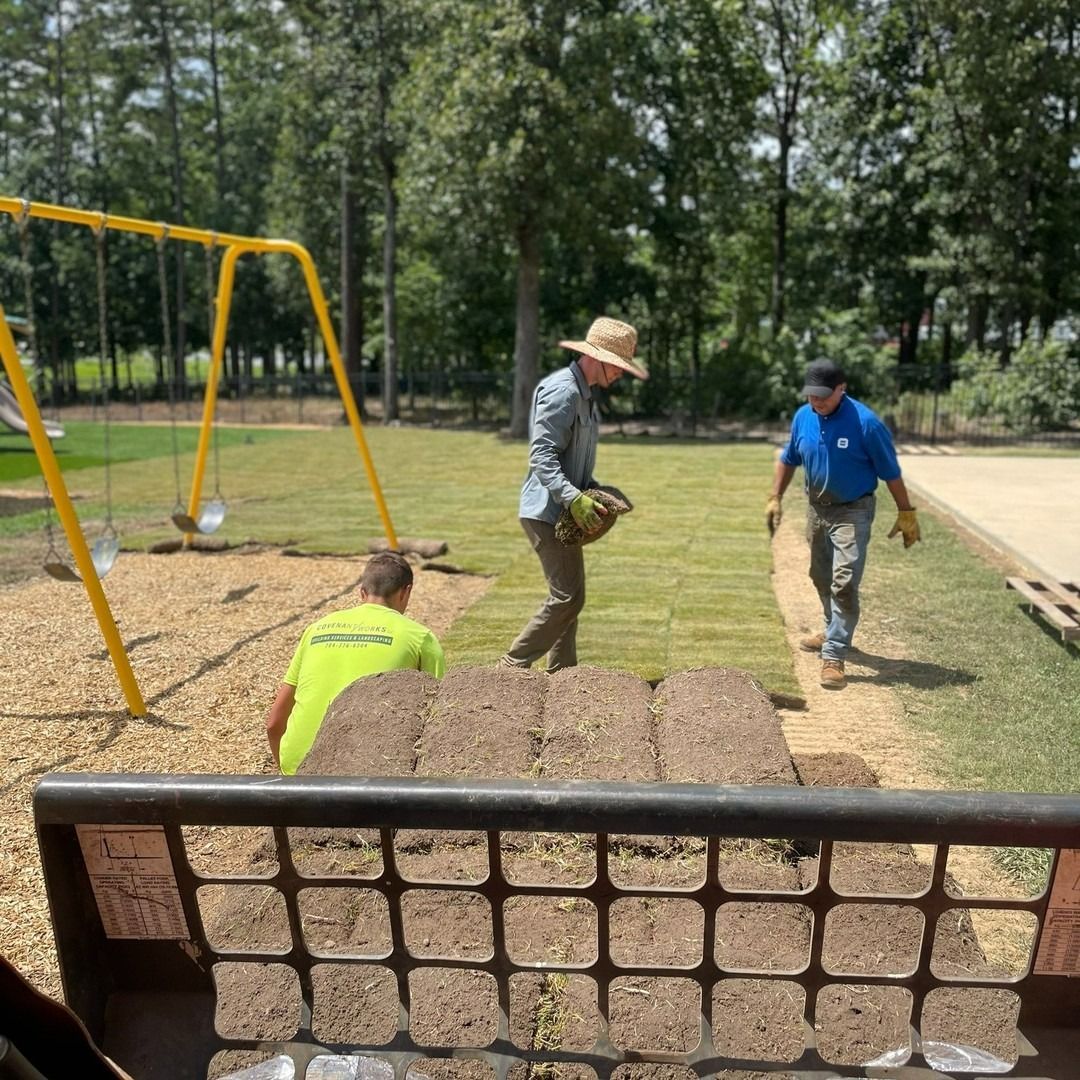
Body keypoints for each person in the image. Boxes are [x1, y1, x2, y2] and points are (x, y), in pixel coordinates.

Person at [500, 316, 648, 673]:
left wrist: (592, 489)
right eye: (618, 366)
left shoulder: (584, 395)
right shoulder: (564, 391)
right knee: (568, 597)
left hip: (561, 507)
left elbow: (570, 459)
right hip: (546, 511)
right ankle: (509, 667)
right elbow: (542, 456)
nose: (621, 374)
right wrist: (574, 498)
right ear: (596, 358)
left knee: (568, 597)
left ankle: (563, 674)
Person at [765, 358, 921, 690]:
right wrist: (775, 496)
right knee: (820, 575)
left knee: (845, 580)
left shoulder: (866, 424)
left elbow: (891, 473)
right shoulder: (802, 417)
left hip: (854, 509)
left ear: (842, 388)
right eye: (812, 395)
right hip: (817, 510)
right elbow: (789, 458)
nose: (816, 401)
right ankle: (830, 626)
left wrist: (906, 512)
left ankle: (834, 654)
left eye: (824, 395)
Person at [265, 551, 445, 772]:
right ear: (406, 592)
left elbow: (274, 722)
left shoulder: (316, 629)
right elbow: (438, 723)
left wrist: (286, 768)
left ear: (362, 592)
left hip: (299, 766)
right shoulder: (419, 637)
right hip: (366, 769)